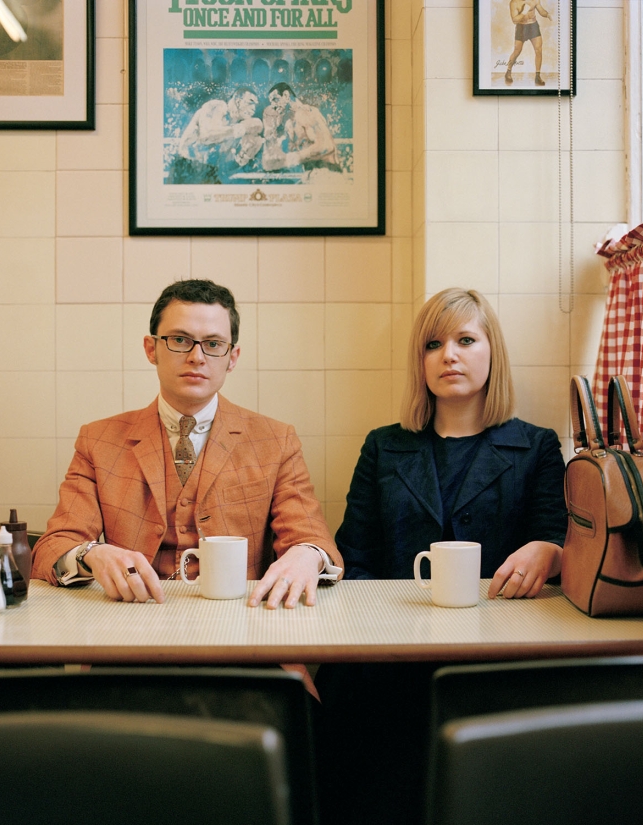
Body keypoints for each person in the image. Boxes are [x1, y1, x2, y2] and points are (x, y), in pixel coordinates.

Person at [315, 287, 567, 825]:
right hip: (391, 661)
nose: (448, 355)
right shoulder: (384, 445)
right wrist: (381, 637)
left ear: (491, 352)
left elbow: (558, 538)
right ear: (420, 362)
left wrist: (550, 551)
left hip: (498, 660)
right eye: (433, 344)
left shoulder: (538, 446)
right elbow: (353, 557)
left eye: (465, 340)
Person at [32, 279, 343, 621]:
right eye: (180, 340)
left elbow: (314, 539)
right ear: (152, 349)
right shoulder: (99, 440)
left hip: (244, 626)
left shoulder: (275, 439)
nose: (197, 357)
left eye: (213, 344)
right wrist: (93, 553)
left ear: (232, 357)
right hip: (130, 625)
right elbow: (52, 547)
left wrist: (307, 555)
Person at [168, 87, 265, 184]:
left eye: (255, 105)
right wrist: (241, 128)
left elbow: (223, 167)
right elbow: (206, 136)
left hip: (209, 173)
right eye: (250, 102)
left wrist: (244, 157)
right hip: (186, 167)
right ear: (238, 101)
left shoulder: (236, 128)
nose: (253, 108)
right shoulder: (217, 106)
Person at [261, 82, 342, 179]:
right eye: (271, 102)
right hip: (312, 177)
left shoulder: (307, 113)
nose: (273, 105)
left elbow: (326, 146)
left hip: (328, 176)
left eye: (275, 99)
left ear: (286, 95)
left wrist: (294, 158)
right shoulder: (288, 123)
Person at [504, 0, 552, 87]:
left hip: (533, 26)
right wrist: (524, 12)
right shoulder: (514, 3)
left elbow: (541, 10)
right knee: (517, 51)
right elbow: (514, 20)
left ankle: (537, 76)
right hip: (521, 27)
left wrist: (548, 15)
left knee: (538, 50)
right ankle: (508, 71)